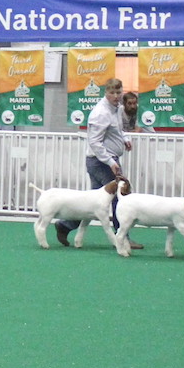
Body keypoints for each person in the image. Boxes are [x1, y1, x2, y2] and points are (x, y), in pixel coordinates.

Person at [56, 78, 143, 249]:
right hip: (101, 162)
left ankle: (65, 225)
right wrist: (110, 162)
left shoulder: (116, 109)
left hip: (105, 161)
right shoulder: (100, 113)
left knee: (92, 204)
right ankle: (123, 238)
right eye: (112, 93)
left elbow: (118, 129)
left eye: (119, 92)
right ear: (106, 92)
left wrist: (124, 139)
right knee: (120, 199)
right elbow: (94, 142)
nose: (116, 96)